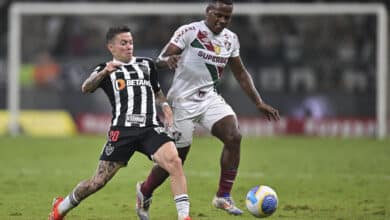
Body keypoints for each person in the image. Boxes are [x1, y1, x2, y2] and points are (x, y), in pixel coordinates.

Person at [135, 0, 280, 218]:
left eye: (227, 17)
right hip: (181, 101)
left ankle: (223, 196)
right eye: (219, 15)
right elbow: (159, 60)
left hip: (209, 98)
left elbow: (240, 73)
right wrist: (169, 60)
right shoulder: (189, 31)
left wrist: (258, 102)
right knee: (177, 159)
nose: (222, 20)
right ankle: (144, 190)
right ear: (208, 12)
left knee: (234, 136)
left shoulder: (231, 39)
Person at [48, 26, 191, 220]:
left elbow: (157, 92)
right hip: (122, 132)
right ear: (111, 47)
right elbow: (86, 87)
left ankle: (184, 217)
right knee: (97, 182)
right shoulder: (104, 69)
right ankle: (60, 207)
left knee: (174, 162)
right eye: (123, 43)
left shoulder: (146, 64)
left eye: (130, 42)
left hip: (151, 128)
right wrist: (104, 72)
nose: (129, 46)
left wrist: (165, 106)